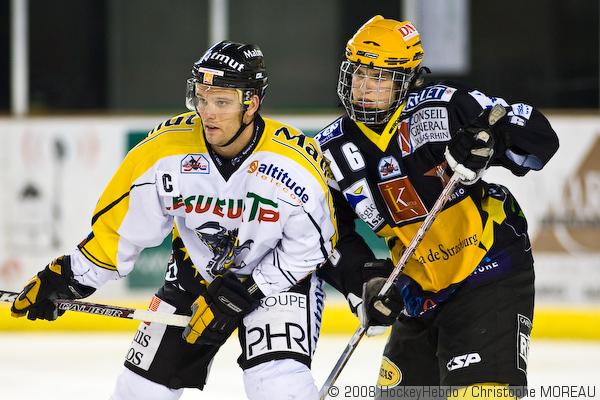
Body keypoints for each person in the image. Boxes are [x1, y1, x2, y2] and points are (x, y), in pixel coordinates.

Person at [11, 40, 337, 400]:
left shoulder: (294, 164)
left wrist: (249, 290)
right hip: (193, 279)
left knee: (278, 386)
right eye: (202, 98)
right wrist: (67, 279)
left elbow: (312, 248)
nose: (208, 113)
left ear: (252, 104)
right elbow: (119, 235)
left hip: (276, 284)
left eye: (222, 102)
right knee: (139, 393)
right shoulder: (164, 151)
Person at [316, 16, 559, 399]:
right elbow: (331, 234)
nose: (364, 86)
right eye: (359, 73)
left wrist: (490, 138)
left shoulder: (446, 107)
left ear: (408, 80)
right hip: (419, 292)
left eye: (380, 77)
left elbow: (540, 139)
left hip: (488, 270)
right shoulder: (330, 151)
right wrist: (366, 280)